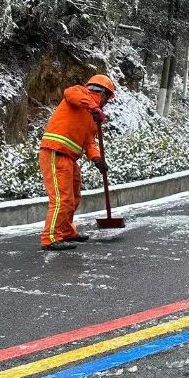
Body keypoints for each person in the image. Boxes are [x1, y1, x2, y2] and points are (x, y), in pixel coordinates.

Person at [39, 70, 116, 250]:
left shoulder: (91, 117)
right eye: (107, 98)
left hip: (70, 158)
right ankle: (50, 238)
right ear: (103, 93)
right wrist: (95, 108)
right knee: (62, 199)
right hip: (54, 152)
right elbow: (71, 94)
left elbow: (89, 141)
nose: (106, 103)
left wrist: (97, 159)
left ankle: (65, 232)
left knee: (73, 197)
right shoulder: (78, 93)